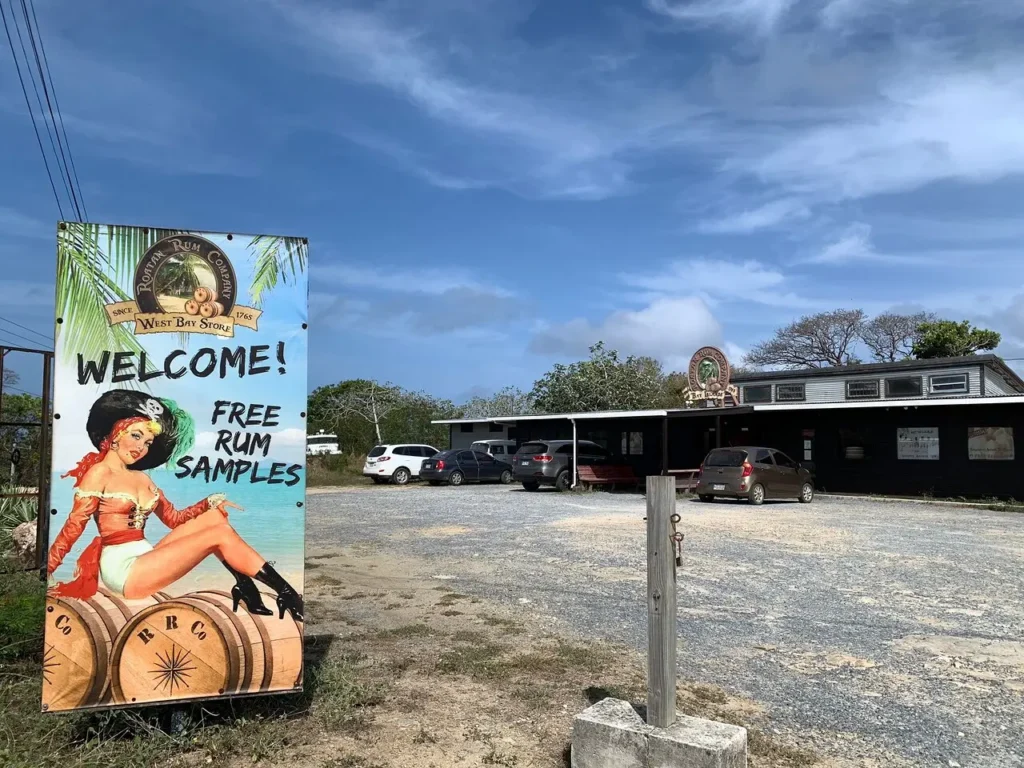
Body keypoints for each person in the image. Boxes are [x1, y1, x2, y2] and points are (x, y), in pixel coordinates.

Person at [47, 389, 303, 621]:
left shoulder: (141, 478)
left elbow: (173, 518)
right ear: (115, 435)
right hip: (123, 571)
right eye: (136, 436)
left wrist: (208, 502)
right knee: (218, 534)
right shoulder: (99, 474)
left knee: (214, 518)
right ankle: (287, 593)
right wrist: (49, 567)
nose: (140, 448)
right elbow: (74, 526)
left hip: (145, 558)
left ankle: (245, 586)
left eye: (147, 443)